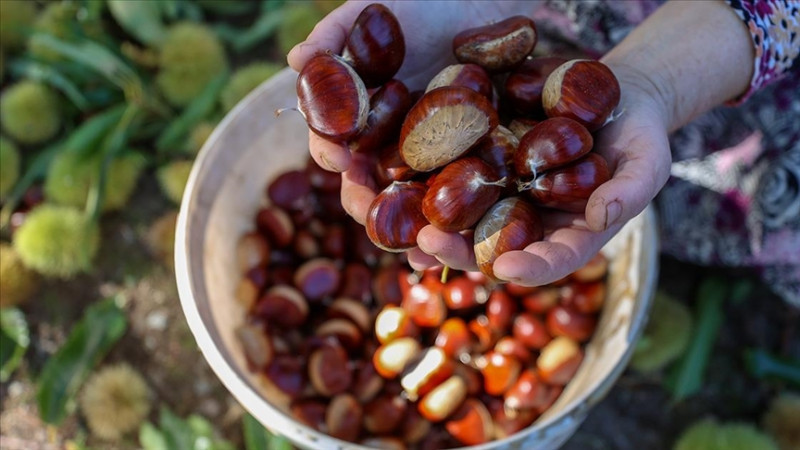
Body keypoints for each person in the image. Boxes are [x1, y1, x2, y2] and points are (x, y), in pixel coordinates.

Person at [288, 0, 800, 305]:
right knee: (604, 182)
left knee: (743, 203)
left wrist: (657, 84)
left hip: (730, 57)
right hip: (554, 25)